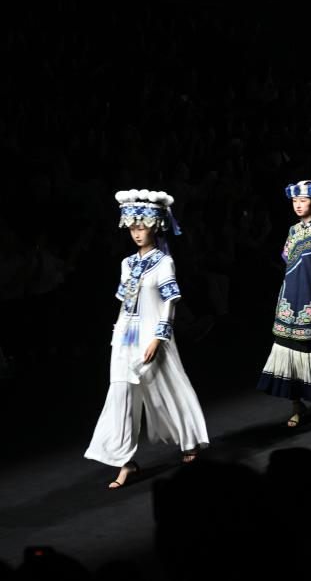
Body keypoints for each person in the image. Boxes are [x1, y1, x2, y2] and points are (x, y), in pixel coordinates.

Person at [85, 189, 209, 489]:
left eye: (141, 227)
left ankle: (189, 440)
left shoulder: (164, 262)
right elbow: (125, 303)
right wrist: (118, 333)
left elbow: (170, 302)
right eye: (132, 228)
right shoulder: (127, 263)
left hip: (153, 334)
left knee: (167, 389)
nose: (137, 233)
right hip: (126, 336)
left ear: (154, 227)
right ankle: (124, 461)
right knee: (121, 395)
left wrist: (159, 337)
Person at [257, 180, 311, 427]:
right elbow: (289, 262)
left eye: (303, 200)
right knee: (288, 348)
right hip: (291, 294)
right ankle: (296, 404)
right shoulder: (293, 230)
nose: (298, 205)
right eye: (295, 201)